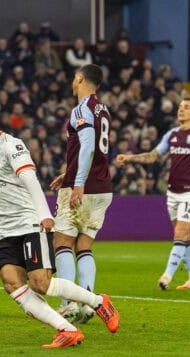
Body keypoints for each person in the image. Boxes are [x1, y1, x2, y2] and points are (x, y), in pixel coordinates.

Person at [0, 97, 119, 349]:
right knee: (11, 282)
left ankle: (99, 302)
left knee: (40, 284)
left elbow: (31, 181)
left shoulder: (11, 145)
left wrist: (45, 214)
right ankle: (66, 330)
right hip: (4, 233)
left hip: (31, 224)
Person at [115, 97, 190, 290]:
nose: (181, 110)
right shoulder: (171, 135)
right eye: (180, 107)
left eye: (186, 107)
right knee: (183, 234)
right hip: (172, 192)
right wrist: (130, 157)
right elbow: (153, 156)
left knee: (180, 232)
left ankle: (167, 276)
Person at [48, 64, 113, 323]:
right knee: (84, 246)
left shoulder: (81, 109)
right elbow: (94, 149)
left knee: (62, 243)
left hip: (84, 188)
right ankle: (88, 303)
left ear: (80, 78)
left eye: (74, 77)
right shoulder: (103, 109)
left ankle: (68, 304)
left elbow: (87, 146)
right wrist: (69, 172)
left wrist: (77, 182)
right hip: (103, 188)